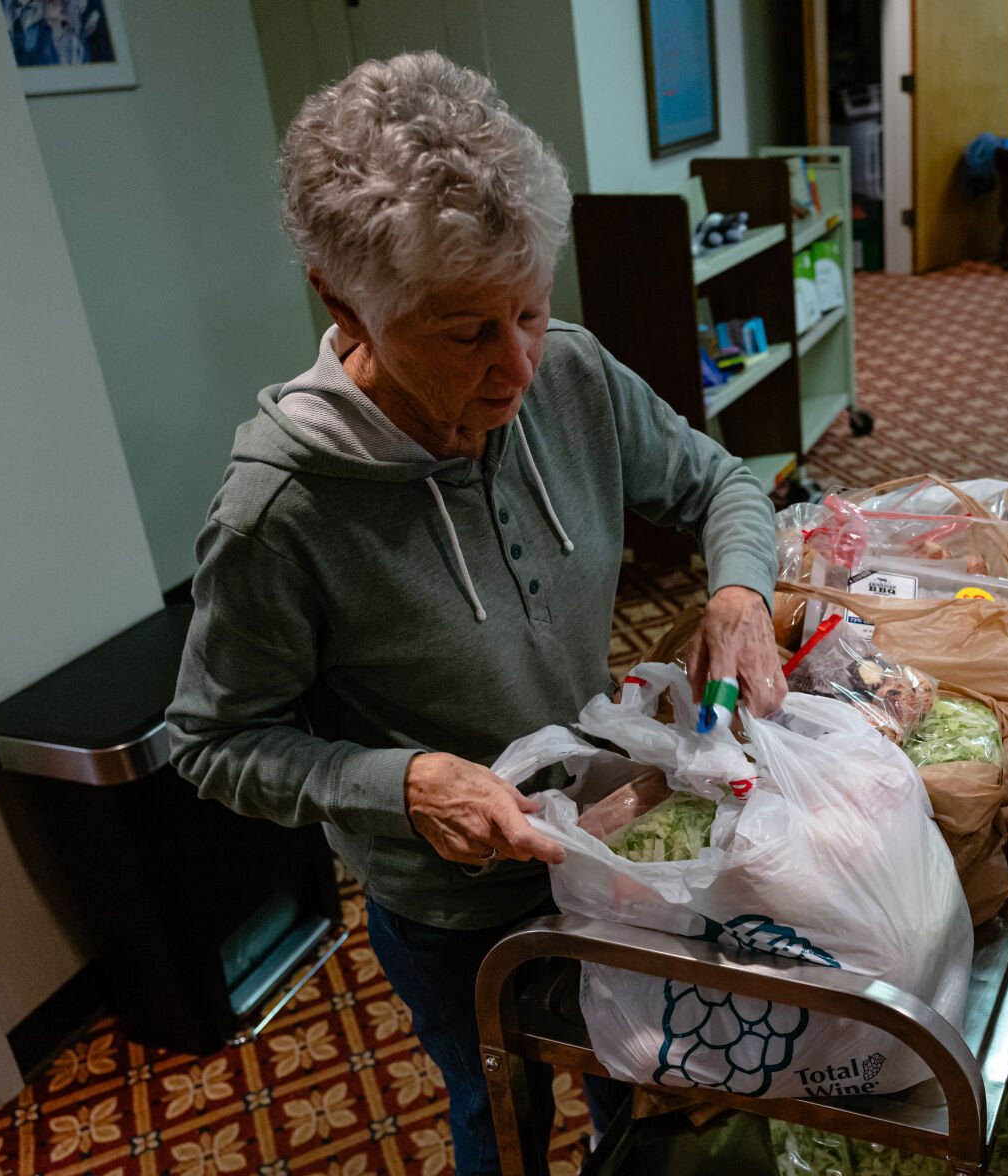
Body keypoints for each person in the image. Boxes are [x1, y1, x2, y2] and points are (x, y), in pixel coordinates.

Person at [166, 52, 787, 1175]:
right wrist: (401, 784)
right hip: (450, 906)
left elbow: (721, 484)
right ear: (343, 301)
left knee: (633, 1074)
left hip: (608, 846)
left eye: (532, 311)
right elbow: (213, 744)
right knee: (497, 1110)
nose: (515, 370)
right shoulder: (280, 512)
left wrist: (740, 589)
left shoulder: (573, 378)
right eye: (465, 334)